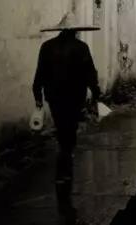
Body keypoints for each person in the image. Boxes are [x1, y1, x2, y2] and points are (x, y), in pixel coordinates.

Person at [33, 23, 100, 223]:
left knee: (62, 127)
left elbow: (39, 75)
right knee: (69, 131)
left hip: (54, 98)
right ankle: (65, 162)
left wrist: (38, 99)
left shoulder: (47, 47)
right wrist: (96, 94)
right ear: (76, 31)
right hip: (74, 98)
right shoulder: (81, 48)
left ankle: (64, 155)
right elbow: (90, 73)